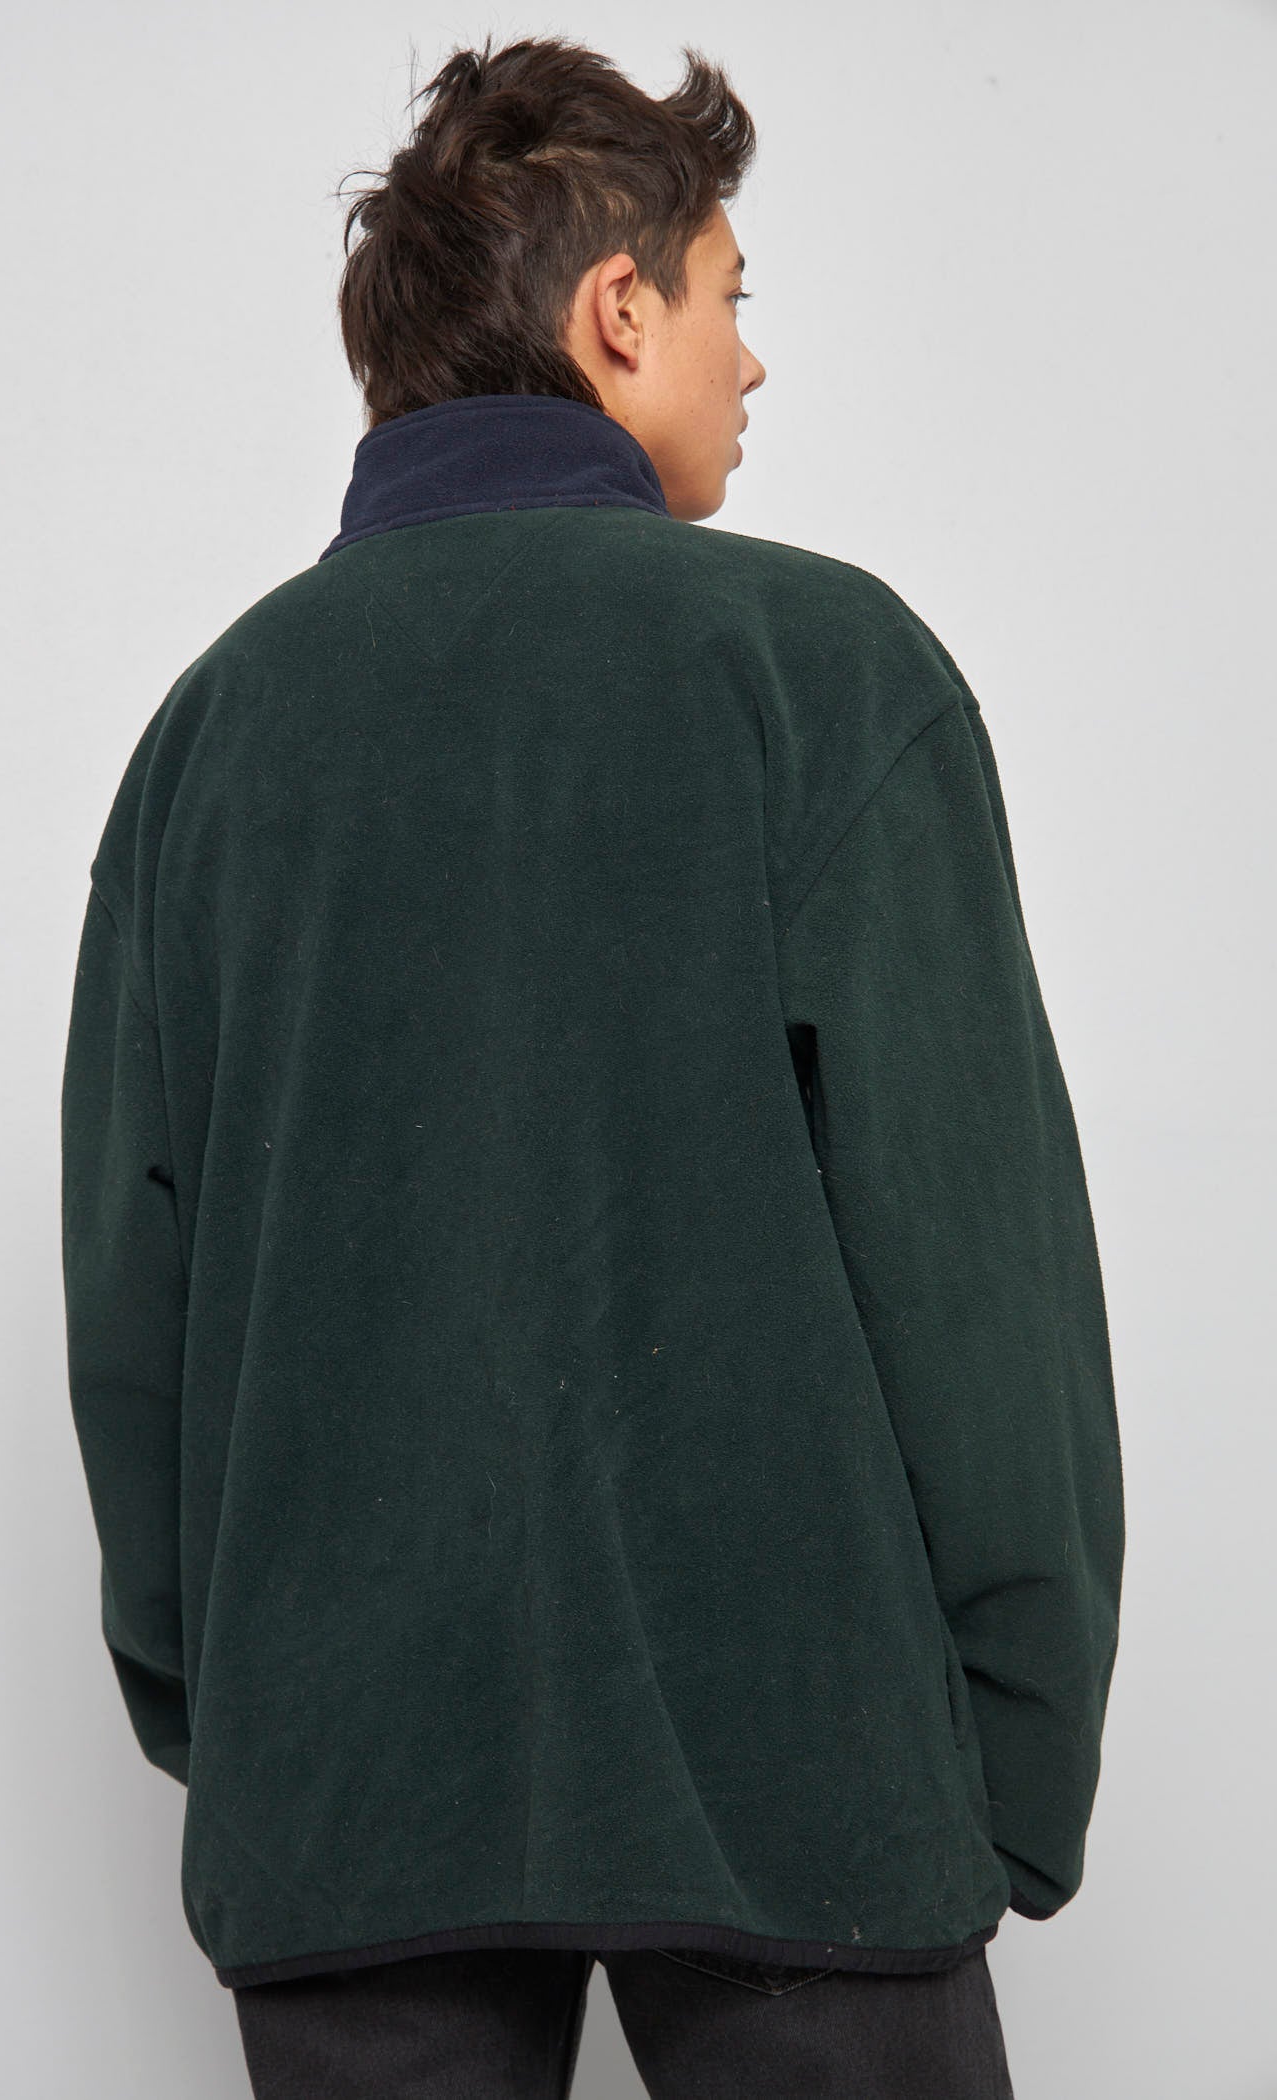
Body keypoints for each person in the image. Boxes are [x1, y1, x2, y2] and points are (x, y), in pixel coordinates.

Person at [59, 33, 1125, 2099]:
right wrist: (1009, 1745)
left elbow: (135, 1311)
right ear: (616, 309)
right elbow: (976, 1274)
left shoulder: (210, 738)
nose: (750, 358)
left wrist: (241, 1716)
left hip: (342, 1786)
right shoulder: (825, 676)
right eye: (729, 294)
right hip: (806, 1770)